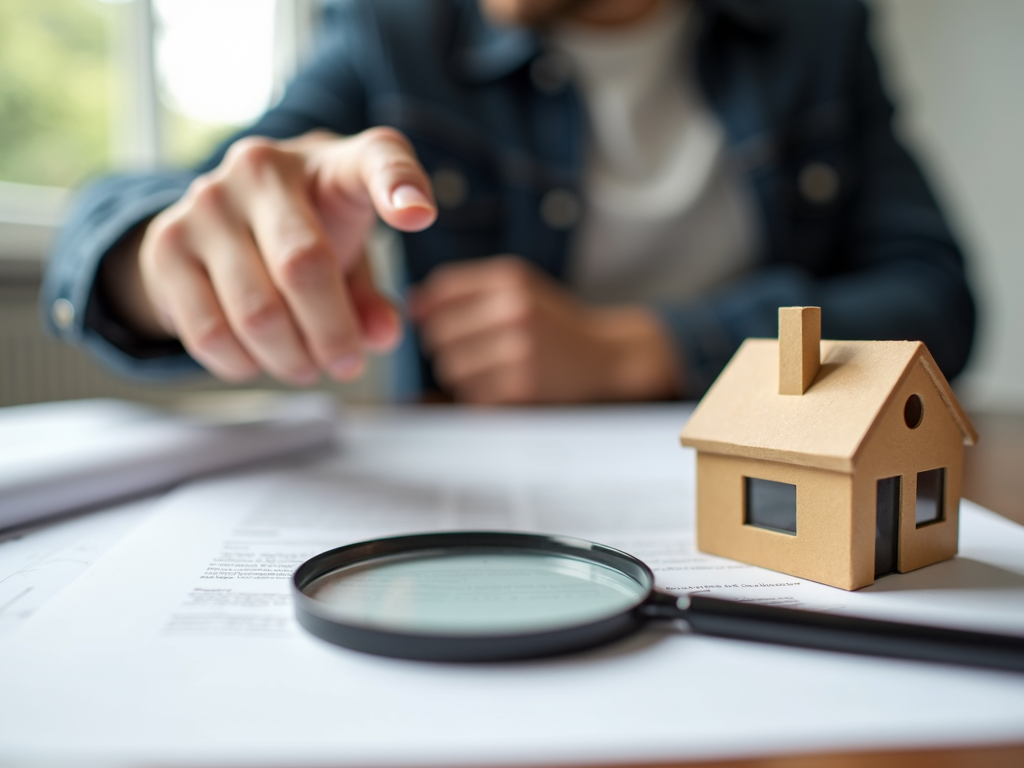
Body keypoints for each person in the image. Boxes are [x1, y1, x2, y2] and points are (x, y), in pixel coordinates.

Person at [42, 0, 976, 404]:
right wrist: (162, 263)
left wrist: (639, 349)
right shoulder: (394, 29)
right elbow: (181, 202)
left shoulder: (818, 31)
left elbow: (933, 303)